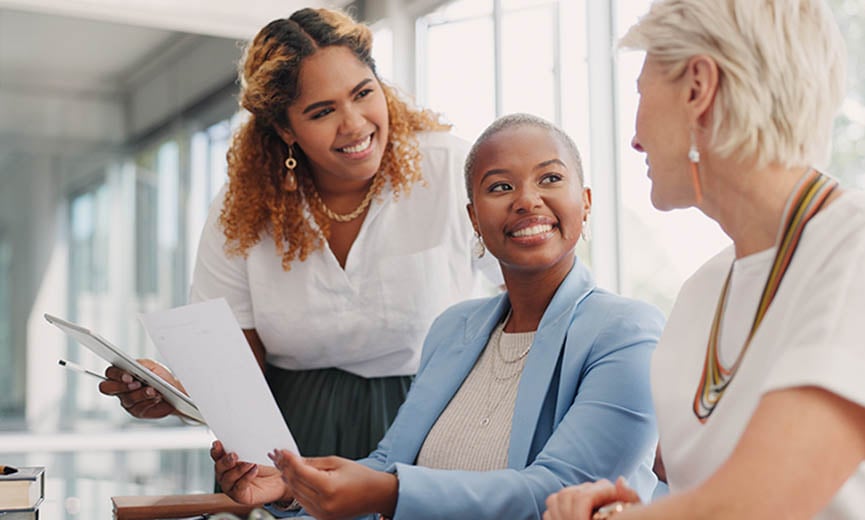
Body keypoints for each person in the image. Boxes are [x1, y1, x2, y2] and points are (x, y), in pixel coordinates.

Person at [210, 113, 666, 520]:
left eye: (549, 179)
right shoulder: (454, 329)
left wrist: (387, 493)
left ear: (585, 202)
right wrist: (292, 488)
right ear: (473, 217)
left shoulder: (627, 332)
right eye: (500, 187)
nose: (527, 200)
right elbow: (387, 465)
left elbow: (560, 490)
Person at [98, 7, 493, 459]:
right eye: (322, 111)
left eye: (364, 93)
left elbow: (530, 303)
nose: (355, 124)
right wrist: (170, 392)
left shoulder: (451, 170)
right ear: (286, 128)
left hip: (431, 428)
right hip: (287, 441)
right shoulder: (242, 209)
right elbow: (231, 368)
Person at [543, 1, 865, 519]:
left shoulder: (854, 251)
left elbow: (754, 507)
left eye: (641, 94)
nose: (634, 137)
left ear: (698, 88)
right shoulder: (701, 291)